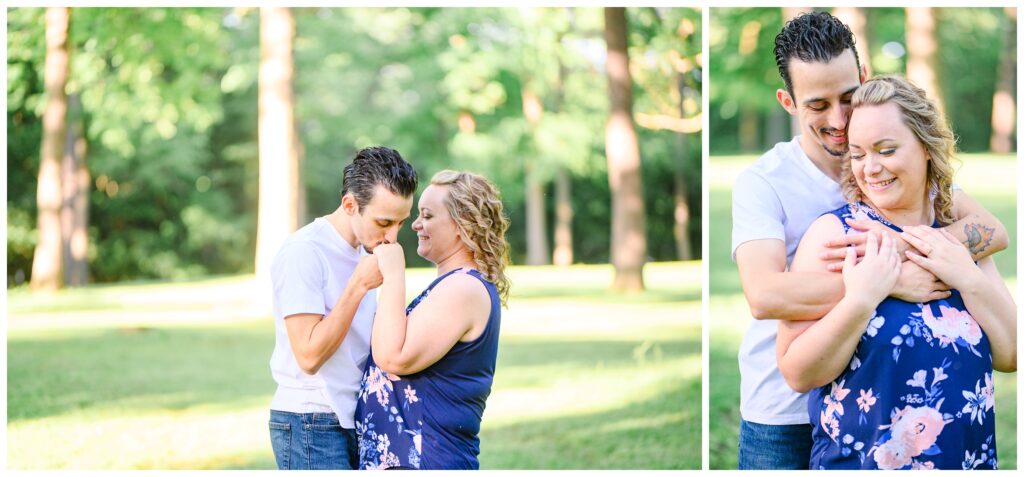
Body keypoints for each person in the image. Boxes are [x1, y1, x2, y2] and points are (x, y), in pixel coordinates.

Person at [731, 12, 1008, 469]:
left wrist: (905, 248)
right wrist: (889, 277)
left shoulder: (908, 181)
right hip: (780, 410)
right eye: (818, 105)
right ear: (788, 102)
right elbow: (763, 295)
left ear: (863, 76)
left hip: (887, 402)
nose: (839, 120)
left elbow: (993, 232)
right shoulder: (765, 182)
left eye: (847, 97)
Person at [267, 146, 418, 470]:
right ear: (350, 205)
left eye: (401, 223)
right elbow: (308, 356)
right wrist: (358, 286)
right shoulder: (304, 252)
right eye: (384, 222)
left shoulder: (369, 249)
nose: (392, 236)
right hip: (309, 420)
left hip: (356, 418)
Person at [354, 170, 510, 470]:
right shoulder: (452, 286)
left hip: (428, 460)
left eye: (426, 215)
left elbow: (393, 357)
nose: (415, 224)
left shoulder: (463, 288)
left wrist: (394, 273)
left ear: (462, 225)